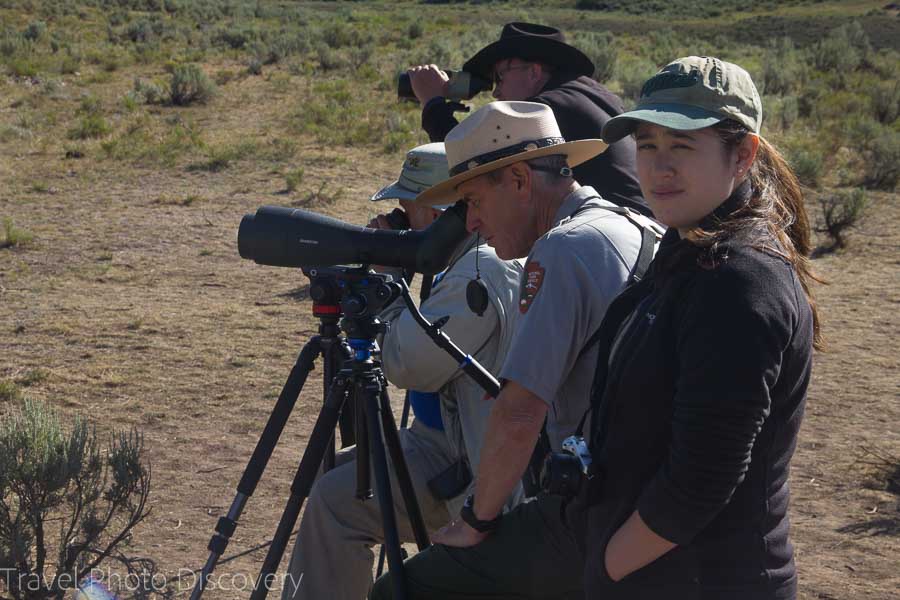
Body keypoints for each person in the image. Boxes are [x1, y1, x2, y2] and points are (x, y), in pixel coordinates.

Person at [376, 57, 821, 600]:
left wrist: (605, 570)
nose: (659, 167)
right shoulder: (687, 249)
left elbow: (700, 482)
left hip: (691, 575)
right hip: (649, 553)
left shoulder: (738, 281)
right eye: (648, 145)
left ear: (743, 155)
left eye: (682, 146)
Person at [371, 101, 659, 600]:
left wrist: (477, 519)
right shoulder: (632, 224)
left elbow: (522, 411)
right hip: (643, 494)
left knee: (403, 589)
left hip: (597, 506)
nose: (473, 223)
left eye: (475, 201)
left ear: (521, 181)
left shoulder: (562, 249)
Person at [280, 142, 524, 600]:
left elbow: (408, 365)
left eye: (405, 208)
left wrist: (389, 286)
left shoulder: (478, 269)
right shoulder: (464, 256)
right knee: (327, 475)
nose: (397, 220)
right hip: (448, 439)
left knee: (336, 503)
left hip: (473, 463)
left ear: (435, 213)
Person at [407, 22, 651, 217]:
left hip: (609, 236)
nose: (495, 91)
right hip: (639, 229)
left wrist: (432, 102)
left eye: (500, 77)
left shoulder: (547, 108)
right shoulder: (595, 95)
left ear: (534, 71)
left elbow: (475, 171)